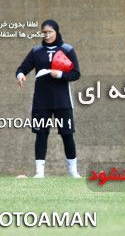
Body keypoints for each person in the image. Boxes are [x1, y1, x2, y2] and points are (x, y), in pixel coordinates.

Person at [16, 20, 81, 178]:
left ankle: (73, 172)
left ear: (56, 32)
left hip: (62, 101)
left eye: (49, 32)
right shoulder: (36, 51)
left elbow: (76, 74)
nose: (46, 35)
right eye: (44, 32)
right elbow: (23, 67)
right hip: (41, 101)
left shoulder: (67, 49)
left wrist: (60, 74)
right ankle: (39, 173)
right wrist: (20, 74)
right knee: (41, 134)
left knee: (67, 134)